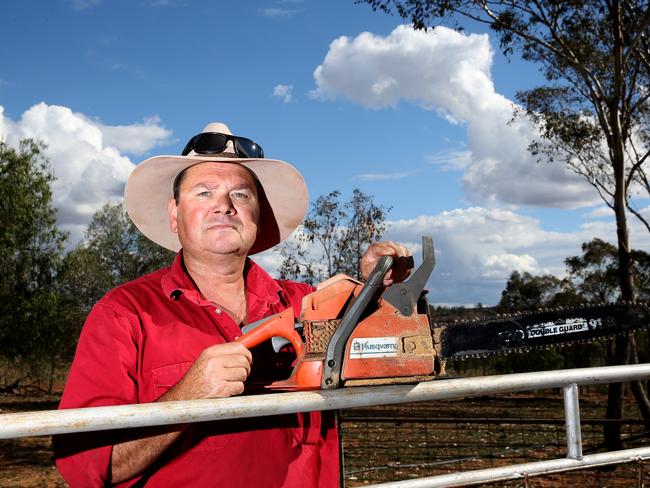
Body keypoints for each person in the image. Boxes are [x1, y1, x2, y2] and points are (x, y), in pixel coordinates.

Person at [53, 122, 412, 487]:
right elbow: (85, 466)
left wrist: (376, 289)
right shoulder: (125, 313)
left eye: (241, 195)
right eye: (204, 193)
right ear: (174, 214)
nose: (224, 206)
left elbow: (391, 353)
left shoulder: (307, 302)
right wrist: (186, 399)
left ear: (257, 215)